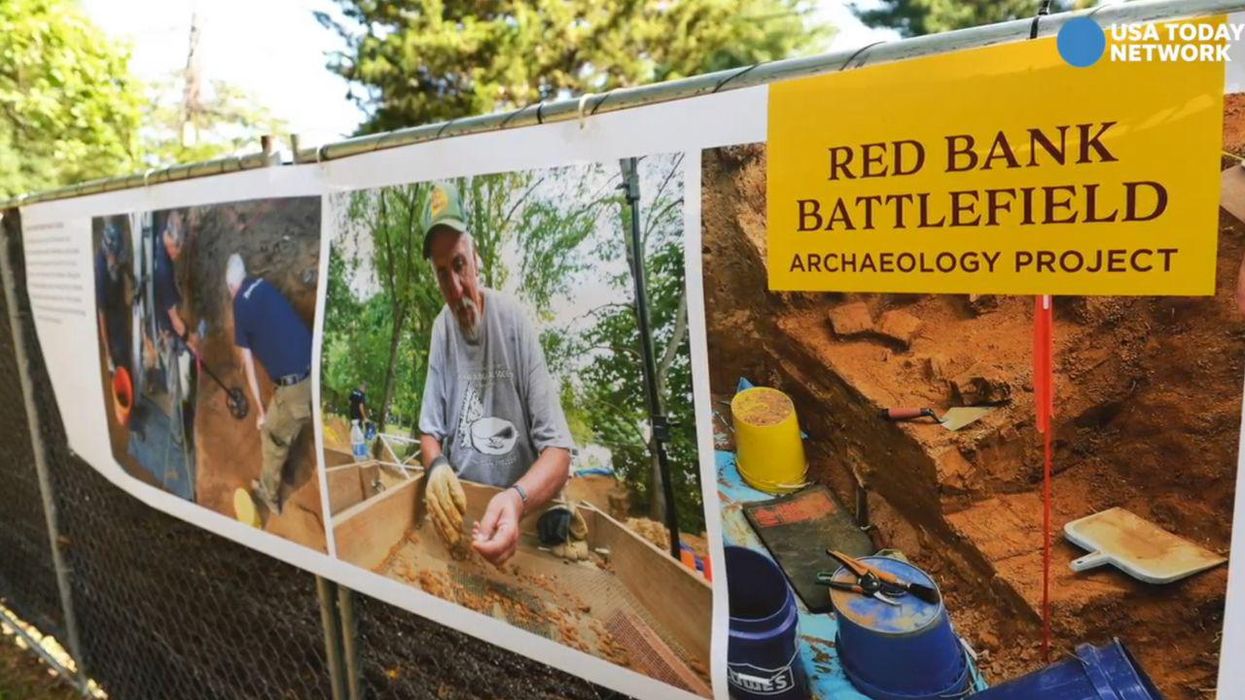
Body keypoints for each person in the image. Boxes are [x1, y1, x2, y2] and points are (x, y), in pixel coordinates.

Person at [417, 181, 574, 567]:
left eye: (459, 265)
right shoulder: (442, 329)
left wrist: (516, 499)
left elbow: (559, 452)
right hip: (465, 514)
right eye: (441, 274)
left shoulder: (512, 321)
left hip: (521, 514)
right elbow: (429, 433)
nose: (455, 288)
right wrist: (436, 468)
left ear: (476, 259)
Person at [227, 254, 313, 515]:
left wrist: (261, 413)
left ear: (231, 287)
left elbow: (249, 365)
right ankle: (286, 464)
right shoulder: (261, 284)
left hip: (297, 387)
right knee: (288, 424)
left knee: (271, 435)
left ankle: (268, 494)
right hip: (312, 365)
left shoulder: (239, 305)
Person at [95, 222, 130, 373]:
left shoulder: (114, 256)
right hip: (111, 320)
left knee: (126, 347)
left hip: (119, 307)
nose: (115, 257)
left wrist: (131, 278)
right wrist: (108, 353)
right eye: (113, 255)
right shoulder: (101, 274)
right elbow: (101, 314)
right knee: (121, 359)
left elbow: (123, 265)